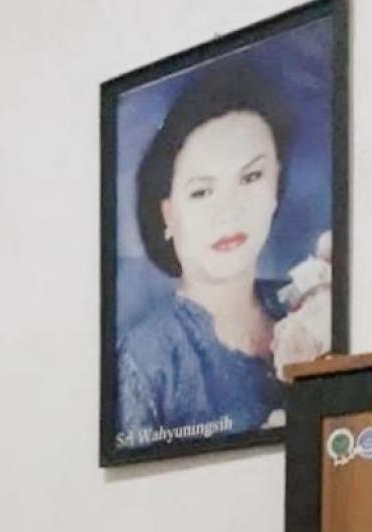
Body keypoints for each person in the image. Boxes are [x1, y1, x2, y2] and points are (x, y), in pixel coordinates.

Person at [117, 64, 314, 442]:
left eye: (251, 177)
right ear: (167, 213)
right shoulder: (146, 360)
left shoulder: (307, 304)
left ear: (276, 184)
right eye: (201, 192)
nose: (229, 211)